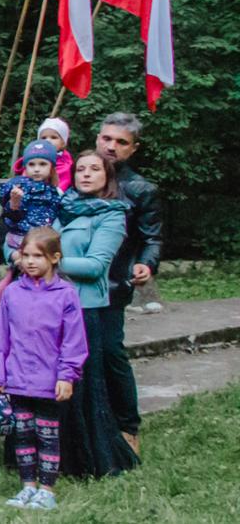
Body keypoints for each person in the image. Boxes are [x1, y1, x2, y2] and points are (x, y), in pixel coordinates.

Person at [55, 150, 140, 478]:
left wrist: (47, 263)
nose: (86, 174)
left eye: (94, 169)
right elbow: (31, 243)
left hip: (84, 307)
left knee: (82, 386)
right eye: (80, 169)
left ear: (108, 177)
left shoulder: (113, 214)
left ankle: (88, 457)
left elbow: (95, 266)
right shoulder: (62, 208)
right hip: (51, 306)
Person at [0, 227, 88, 510]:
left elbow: (74, 341)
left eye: (37, 256)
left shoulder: (66, 295)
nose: (30, 261)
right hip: (17, 378)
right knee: (22, 434)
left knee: (47, 435)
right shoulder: (11, 293)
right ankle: (27, 486)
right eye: (25, 255)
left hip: (49, 381)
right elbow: (1, 337)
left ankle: (47, 490)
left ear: (55, 258)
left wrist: (67, 375)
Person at [94, 112, 162, 448]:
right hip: (69, 282)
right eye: (107, 138)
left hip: (113, 283)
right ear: (97, 139)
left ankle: (127, 426)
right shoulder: (79, 177)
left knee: (110, 351)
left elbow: (152, 237)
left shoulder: (140, 189)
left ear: (133, 149)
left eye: (121, 142)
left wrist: (146, 264)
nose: (111, 146)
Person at [1, 141, 63, 253]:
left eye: (42, 164)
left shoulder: (56, 191)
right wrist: (14, 203)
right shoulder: (19, 187)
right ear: (25, 166)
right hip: (20, 238)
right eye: (31, 164)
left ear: (52, 167)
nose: (36, 169)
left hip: (46, 240)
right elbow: (10, 216)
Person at [14, 117, 75, 191]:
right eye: (43, 138)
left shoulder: (65, 165)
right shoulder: (31, 159)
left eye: (53, 137)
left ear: (63, 143)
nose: (48, 140)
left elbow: (59, 189)